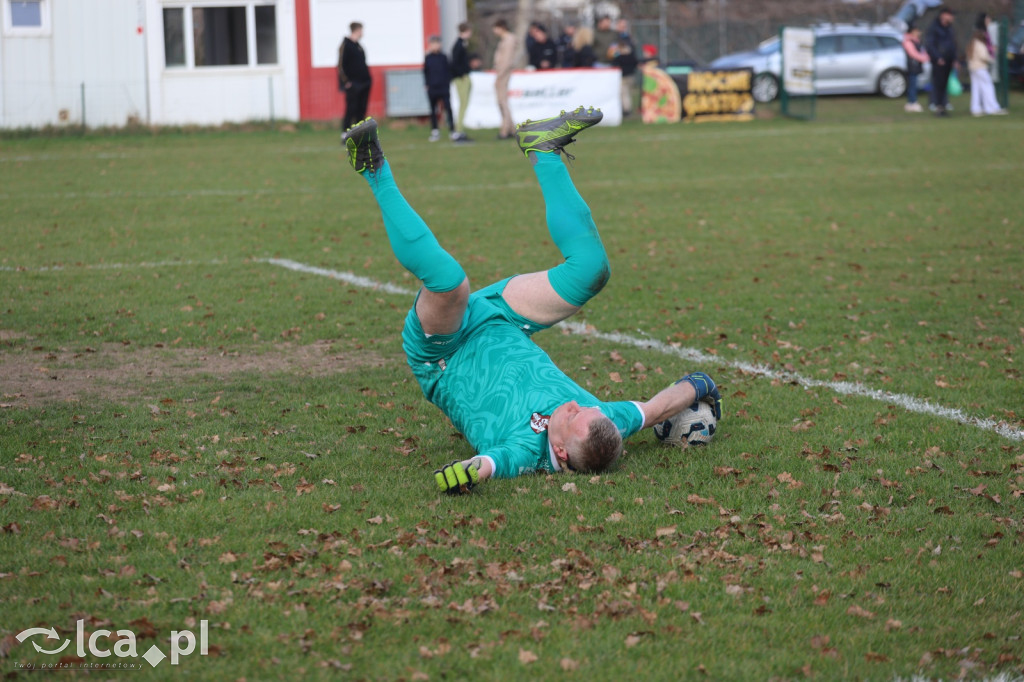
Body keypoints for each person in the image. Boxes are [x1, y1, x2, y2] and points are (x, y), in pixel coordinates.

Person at [340, 107, 723, 494]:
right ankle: (543, 149)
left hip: (445, 351)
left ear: (559, 450)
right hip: (503, 320)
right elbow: (654, 409)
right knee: (591, 269)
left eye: (573, 415)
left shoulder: (525, 451)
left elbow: (491, 463)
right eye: (586, 408)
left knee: (450, 282)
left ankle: (373, 168)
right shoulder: (602, 422)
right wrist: (700, 384)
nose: (578, 405)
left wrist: (469, 472)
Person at [966, 15, 1008, 115]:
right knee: (988, 86)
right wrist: (992, 58)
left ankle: (976, 108)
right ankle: (992, 107)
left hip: (973, 68)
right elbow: (983, 56)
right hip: (980, 67)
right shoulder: (980, 44)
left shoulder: (972, 43)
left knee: (976, 88)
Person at [338, 22, 372, 131]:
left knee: (361, 111)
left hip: (364, 83)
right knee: (351, 109)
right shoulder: (346, 45)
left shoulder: (359, 46)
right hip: (353, 84)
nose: (362, 33)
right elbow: (340, 66)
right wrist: (346, 82)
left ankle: (358, 134)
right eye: (361, 30)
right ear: (357, 30)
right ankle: (346, 133)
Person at [925, 7, 958, 116]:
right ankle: (937, 106)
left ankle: (943, 106)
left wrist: (954, 59)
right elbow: (931, 45)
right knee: (938, 84)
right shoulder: (934, 28)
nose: (952, 18)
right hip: (939, 61)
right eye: (950, 15)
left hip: (948, 60)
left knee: (944, 84)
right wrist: (937, 57)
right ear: (944, 15)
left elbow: (952, 45)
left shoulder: (949, 28)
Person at [423, 36, 456, 142]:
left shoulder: (444, 57)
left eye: (437, 43)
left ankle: (452, 130)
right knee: (433, 110)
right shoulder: (428, 58)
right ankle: (435, 131)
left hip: (443, 87)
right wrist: (427, 84)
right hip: (432, 87)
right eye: (433, 43)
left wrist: (447, 83)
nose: (436, 46)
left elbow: (449, 71)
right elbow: (426, 72)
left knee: (448, 108)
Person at [492, 19, 518, 139]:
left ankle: (505, 129)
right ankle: (511, 128)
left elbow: (507, 60)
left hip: (503, 73)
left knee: (502, 101)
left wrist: (500, 75)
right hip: (501, 72)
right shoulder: (505, 40)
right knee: (501, 101)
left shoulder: (509, 40)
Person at [612, 18, 639, 116]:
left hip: (628, 70)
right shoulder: (614, 38)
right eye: (621, 25)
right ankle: (625, 110)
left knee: (626, 91)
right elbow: (613, 54)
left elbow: (632, 54)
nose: (623, 27)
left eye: (624, 25)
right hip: (618, 70)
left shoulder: (629, 39)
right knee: (622, 92)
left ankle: (626, 111)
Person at [451, 23, 473, 141]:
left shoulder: (462, 44)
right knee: (463, 104)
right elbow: (455, 63)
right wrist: (462, 74)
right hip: (461, 78)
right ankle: (458, 131)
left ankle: (460, 129)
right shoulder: (459, 45)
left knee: (464, 104)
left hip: (463, 77)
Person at [902, 25, 930, 112]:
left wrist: (926, 56)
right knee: (912, 85)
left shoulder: (917, 41)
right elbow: (913, 53)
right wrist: (924, 58)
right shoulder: (908, 41)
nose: (918, 33)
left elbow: (922, 51)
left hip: (916, 66)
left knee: (914, 84)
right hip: (912, 67)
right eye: (917, 31)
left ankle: (912, 102)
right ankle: (912, 103)